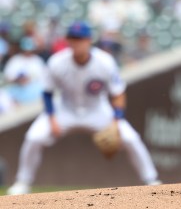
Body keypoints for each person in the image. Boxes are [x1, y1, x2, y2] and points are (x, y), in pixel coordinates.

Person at [6, 21, 160, 195]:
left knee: (131, 138)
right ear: (68, 40)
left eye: (80, 38)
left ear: (88, 40)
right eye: (73, 38)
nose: (76, 42)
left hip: (97, 110)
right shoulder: (57, 61)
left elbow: (118, 93)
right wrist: (52, 118)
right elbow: (47, 93)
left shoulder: (104, 61)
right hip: (65, 109)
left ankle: (151, 179)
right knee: (34, 137)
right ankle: (22, 183)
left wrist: (117, 120)